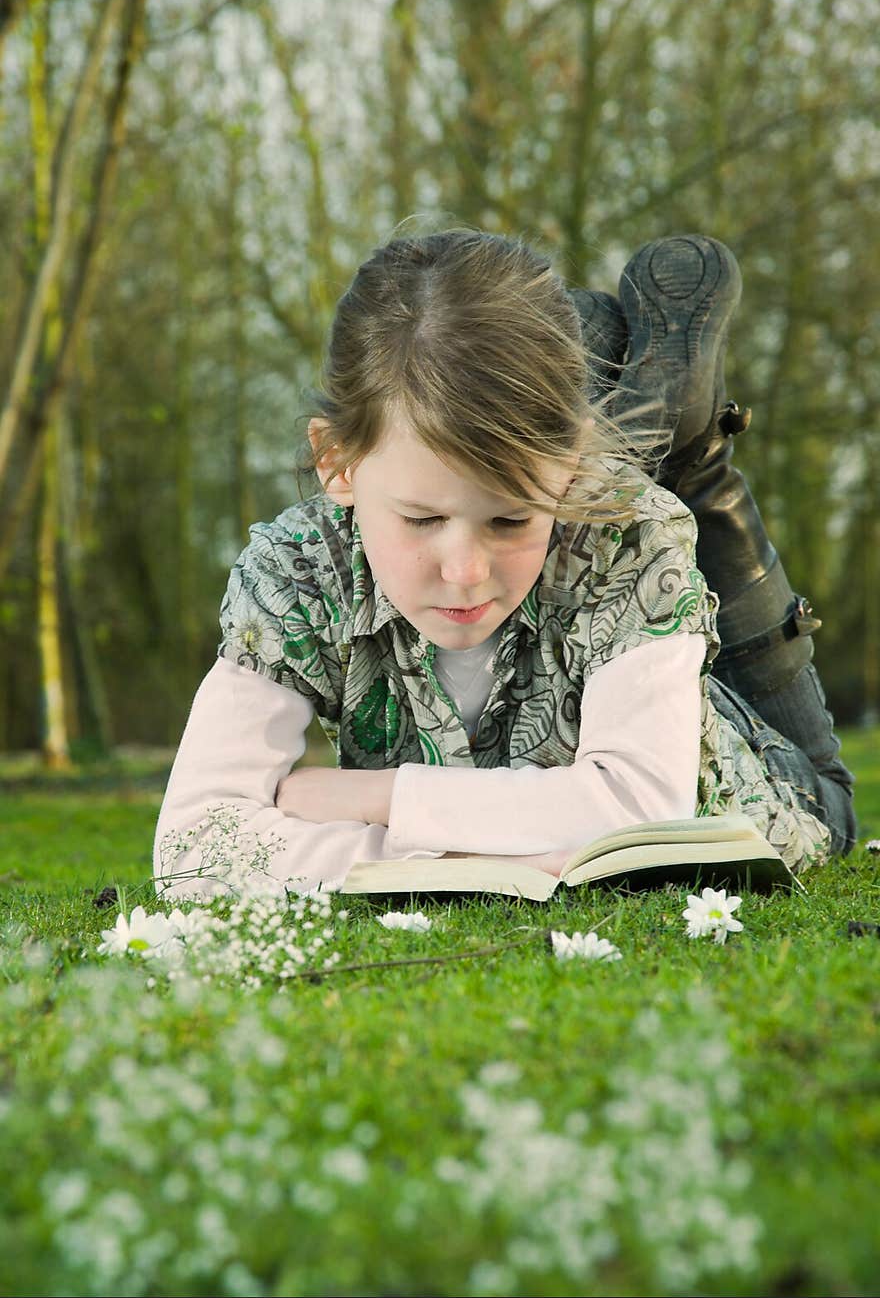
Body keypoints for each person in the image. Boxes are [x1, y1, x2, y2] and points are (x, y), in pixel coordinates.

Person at [152, 228, 856, 902]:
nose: (464, 571)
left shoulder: (630, 539)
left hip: (764, 776)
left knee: (826, 795)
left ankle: (692, 451)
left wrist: (377, 798)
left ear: (569, 462)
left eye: (510, 519)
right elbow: (192, 847)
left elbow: (641, 807)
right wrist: (446, 862)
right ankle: (615, 397)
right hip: (609, 610)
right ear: (336, 461)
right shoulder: (296, 574)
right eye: (422, 518)